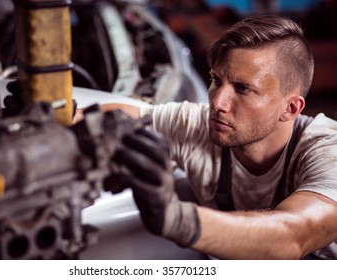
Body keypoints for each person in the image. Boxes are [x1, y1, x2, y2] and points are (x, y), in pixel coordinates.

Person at [75, 15, 337, 259]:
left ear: (291, 108)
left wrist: (177, 218)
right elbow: (118, 113)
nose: (218, 102)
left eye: (243, 88)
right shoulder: (199, 126)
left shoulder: (327, 150)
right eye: (216, 80)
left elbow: (294, 235)